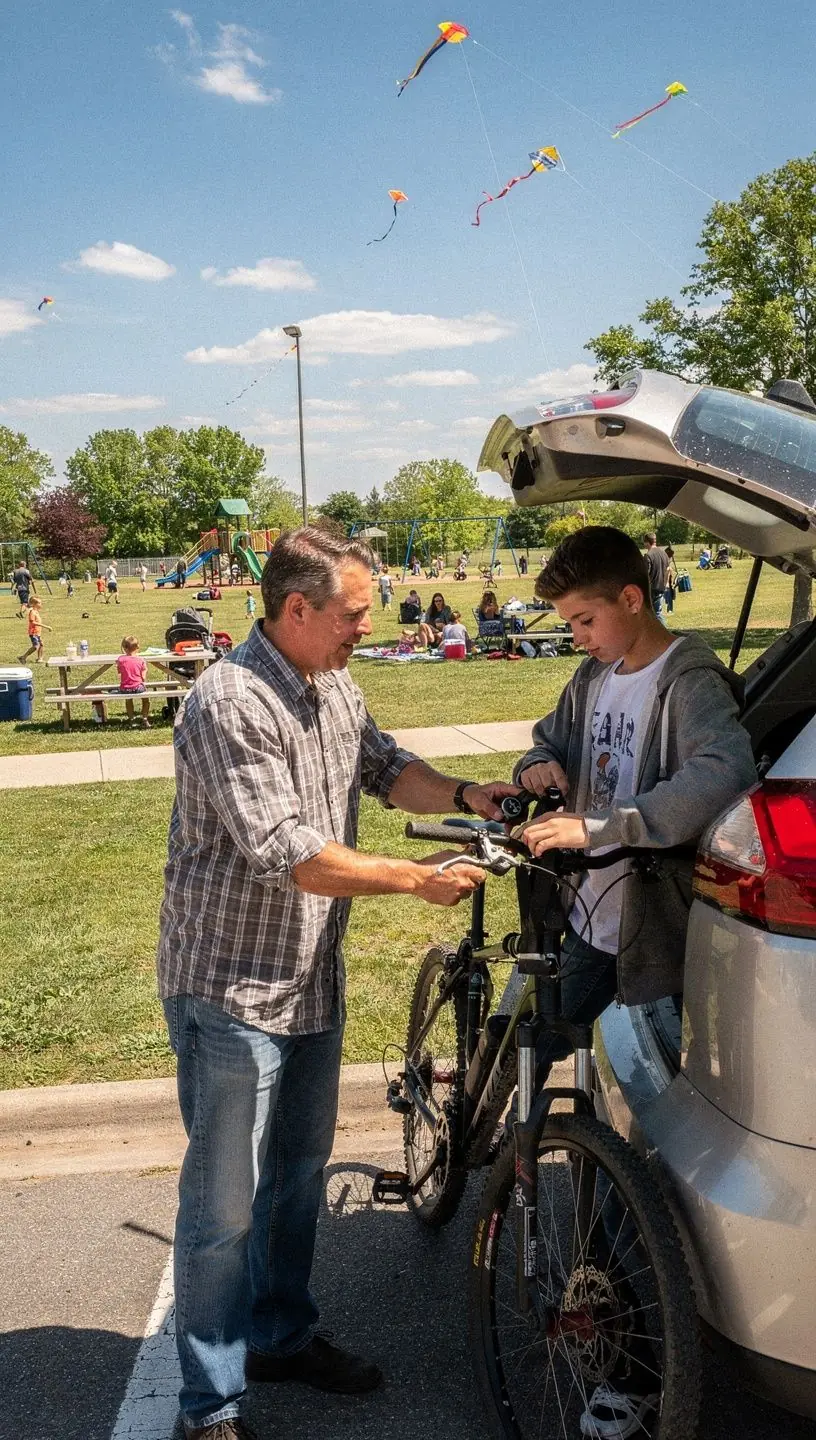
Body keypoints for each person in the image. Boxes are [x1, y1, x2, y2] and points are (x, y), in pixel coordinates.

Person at [156, 527, 518, 1439]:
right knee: (224, 1209)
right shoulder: (230, 701)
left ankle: (280, 1336)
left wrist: (475, 795)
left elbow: (388, 769)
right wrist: (412, 880)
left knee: (295, 1182)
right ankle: (211, 1403)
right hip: (231, 990)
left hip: (308, 981)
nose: (370, 623)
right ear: (296, 609)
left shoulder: (333, 683)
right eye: (355, 612)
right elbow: (286, 851)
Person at [508, 526, 756, 1437]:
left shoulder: (684, 680)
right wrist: (539, 763)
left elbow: (725, 770)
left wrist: (610, 825)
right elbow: (556, 736)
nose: (574, 634)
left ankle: (633, 1357)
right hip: (585, 923)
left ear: (631, 600)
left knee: (635, 1149)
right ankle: (535, 1194)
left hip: (648, 938)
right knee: (553, 1097)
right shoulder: (595, 678)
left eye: (584, 618)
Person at [117, 635, 151, 729]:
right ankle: (144, 717)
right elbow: (143, 677)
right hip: (137, 687)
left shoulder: (120, 660)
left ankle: (131, 718)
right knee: (146, 699)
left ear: (124, 648)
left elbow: (119, 672)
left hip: (125, 689)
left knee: (128, 699)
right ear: (138, 647)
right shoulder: (141, 660)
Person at [643, 532, 669, 621]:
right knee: (657, 612)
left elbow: (645, 574)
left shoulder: (648, 556)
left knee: (653, 614)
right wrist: (665, 585)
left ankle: (663, 632)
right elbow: (668, 570)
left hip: (651, 588)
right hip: (661, 587)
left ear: (647, 542)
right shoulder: (664, 554)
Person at [18, 595, 52, 665]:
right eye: (39, 603)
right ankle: (23, 657)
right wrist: (46, 626)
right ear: (33, 604)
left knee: (41, 644)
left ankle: (39, 658)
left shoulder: (36, 612)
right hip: (33, 633)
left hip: (37, 632)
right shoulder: (32, 612)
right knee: (36, 646)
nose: (41, 604)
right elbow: (32, 622)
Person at [663, 544, 678, 614]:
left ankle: (670, 609)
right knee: (667, 594)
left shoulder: (668, 560)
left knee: (669, 595)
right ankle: (668, 609)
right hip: (666, 580)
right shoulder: (666, 560)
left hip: (669, 581)